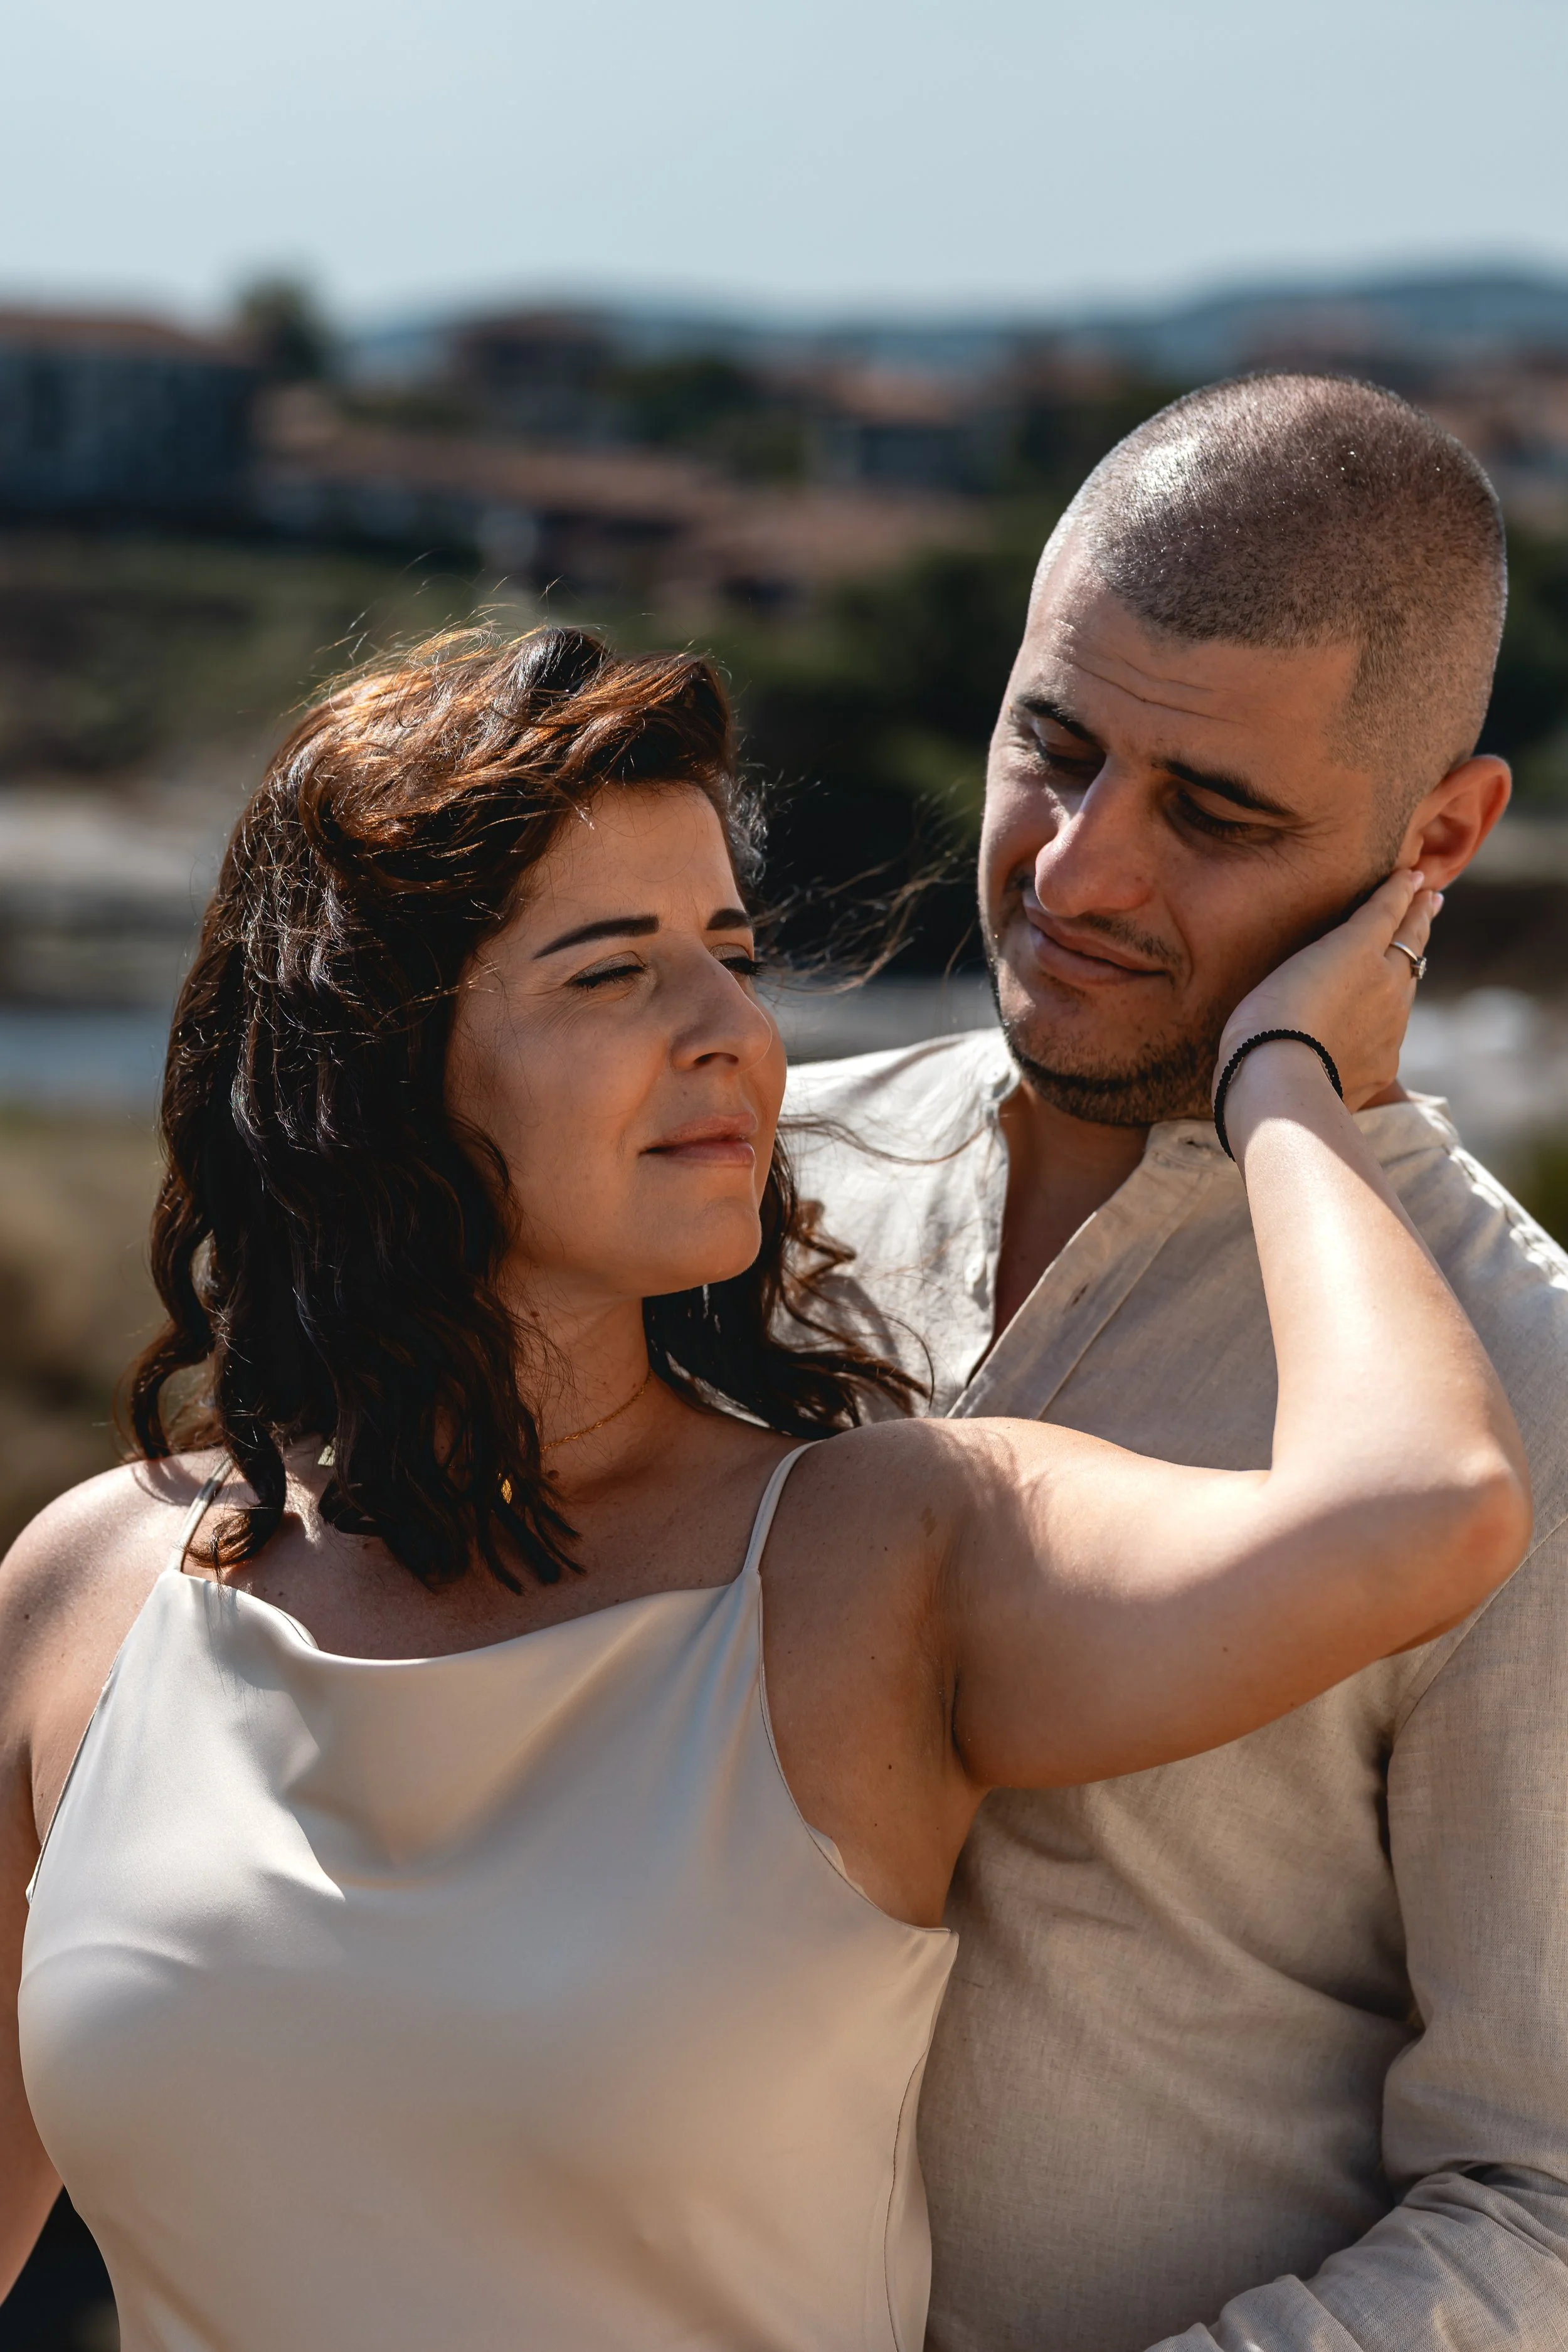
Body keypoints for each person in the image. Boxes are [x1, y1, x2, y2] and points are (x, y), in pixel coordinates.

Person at [0, 627, 1525, 2352]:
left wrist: (1291, 1081)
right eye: (612, 973)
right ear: (371, 1061)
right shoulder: (90, 1593)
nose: (730, 1029)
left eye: (731, 957)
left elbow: (1430, 1504)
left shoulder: (878, 1560)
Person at [785, 372, 1568, 2352]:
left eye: (1212, 813)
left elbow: (1544, 2200)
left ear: (1440, 834)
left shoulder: (1529, 1383)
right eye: (1050, 750)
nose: (1077, 874)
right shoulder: (734, 1196)